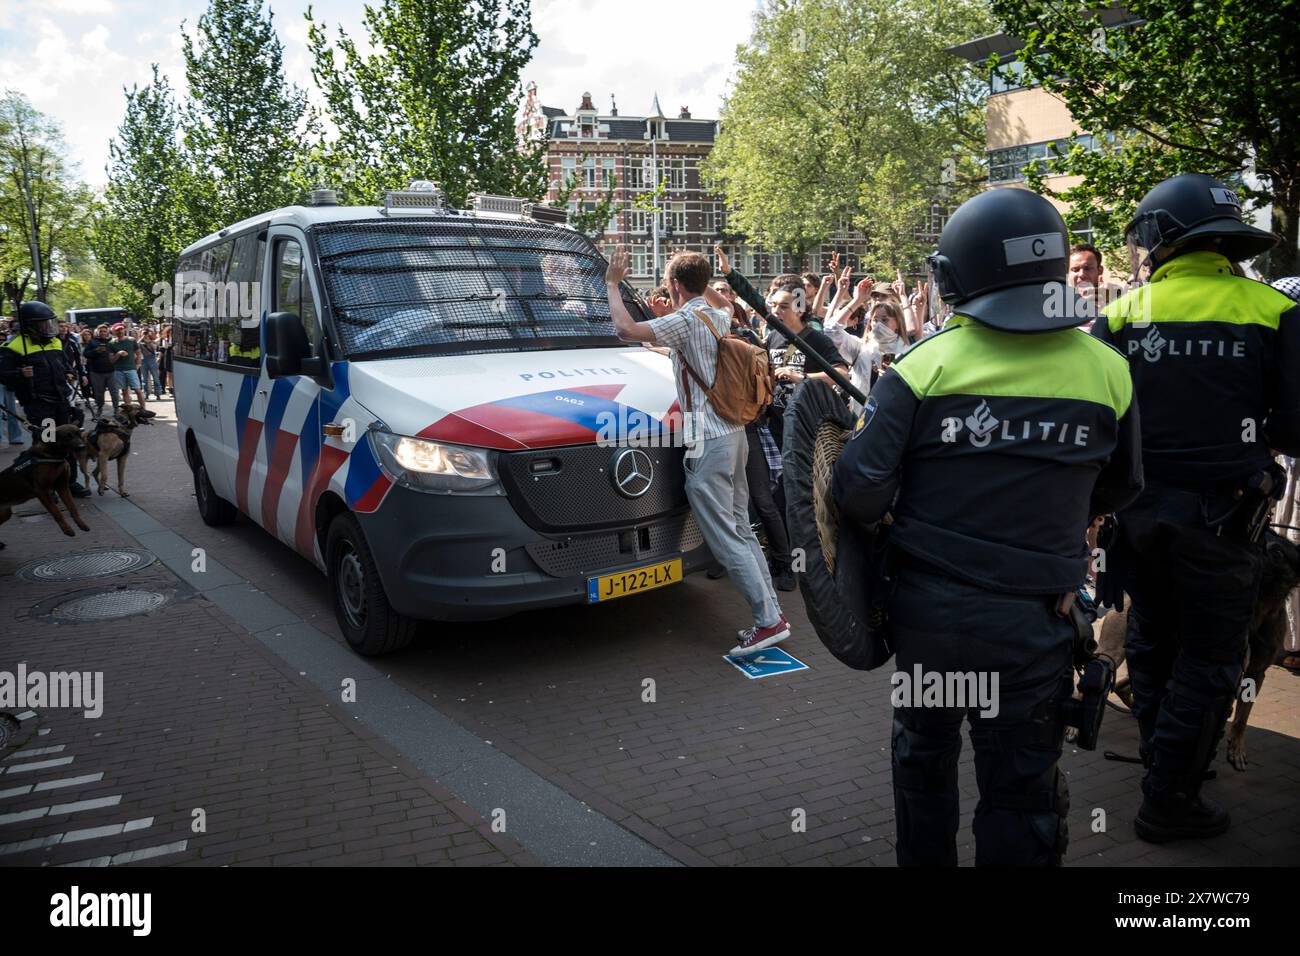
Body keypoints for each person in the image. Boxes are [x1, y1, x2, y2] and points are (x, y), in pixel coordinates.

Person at [834, 187, 1143, 866]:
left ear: (956, 274)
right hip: (1036, 625)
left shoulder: (921, 369)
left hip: (931, 621)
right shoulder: (1109, 371)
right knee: (1021, 793)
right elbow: (1123, 486)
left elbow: (856, 494)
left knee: (923, 767)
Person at [1092, 173, 1300, 843]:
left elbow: (1096, 426)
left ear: (1158, 238)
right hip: (1223, 525)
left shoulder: (1121, 315)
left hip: (1139, 523)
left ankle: (1166, 769)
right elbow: (1296, 430)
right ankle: (1170, 797)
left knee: (1151, 647)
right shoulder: (1274, 311)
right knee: (1211, 663)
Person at [604, 245, 791, 656]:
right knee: (742, 527)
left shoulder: (687, 318)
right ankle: (773, 614)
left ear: (674, 285)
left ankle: (768, 620)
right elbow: (717, 307)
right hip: (735, 433)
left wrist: (613, 285)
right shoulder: (716, 314)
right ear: (705, 284)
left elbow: (624, 331)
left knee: (725, 536)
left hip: (707, 438)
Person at [0, 302, 92, 496]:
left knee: (70, 441)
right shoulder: (14, 346)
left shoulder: (56, 342)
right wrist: (19, 373)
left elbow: (64, 364)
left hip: (61, 401)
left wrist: (69, 372)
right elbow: (3, 374)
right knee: (47, 444)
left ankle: (70, 482)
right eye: (42, 324)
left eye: (48, 323)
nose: (48, 328)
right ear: (30, 326)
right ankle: (46, 485)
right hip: (40, 405)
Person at [1068, 242, 1107, 330]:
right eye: (1075, 269)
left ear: (1100, 270)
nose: (1081, 274)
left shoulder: (1114, 304)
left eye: (1087, 268)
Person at [85, 324, 121, 417]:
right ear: (97, 332)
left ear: (108, 332)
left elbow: (119, 352)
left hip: (112, 371)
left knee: (114, 392)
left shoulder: (113, 341)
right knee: (99, 393)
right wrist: (95, 351)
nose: (103, 333)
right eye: (101, 331)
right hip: (97, 371)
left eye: (105, 331)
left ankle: (116, 409)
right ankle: (99, 408)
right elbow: (86, 354)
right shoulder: (92, 342)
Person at [110, 322, 147, 408]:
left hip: (131, 368)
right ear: (114, 332)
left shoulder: (131, 340)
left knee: (138, 390)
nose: (120, 331)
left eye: (121, 329)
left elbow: (138, 353)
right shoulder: (111, 343)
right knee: (124, 390)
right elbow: (111, 360)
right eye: (117, 330)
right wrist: (118, 354)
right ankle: (129, 410)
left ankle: (143, 409)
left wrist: (138, 365)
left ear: (124, 329)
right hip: (119, 369)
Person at [139, 329, 163, 398]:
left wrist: (149, 342)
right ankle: (146, 394)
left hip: (152, 359)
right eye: (143, 333)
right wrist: (141, 338)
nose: (145, 335)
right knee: (144, 378)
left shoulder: (152, 341)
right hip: (143, 360)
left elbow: (154, 348)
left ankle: (158, 394)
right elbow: (136, 346)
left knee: (155, 377)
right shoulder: (140, 342)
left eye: (145, 334)